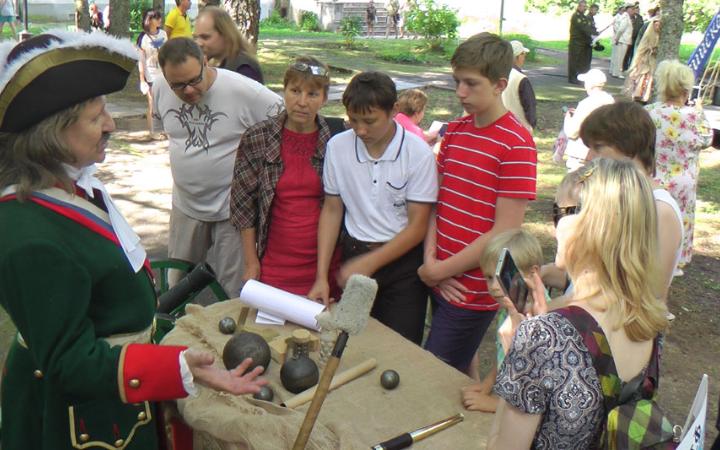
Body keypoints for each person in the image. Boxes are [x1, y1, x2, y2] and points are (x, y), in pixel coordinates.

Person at [0, 31, 267, 450]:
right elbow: (71, 363)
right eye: (95, 116)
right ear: (52, 133)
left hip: (118, 398)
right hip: (78, 422)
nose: (110, 124)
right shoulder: (30, 234)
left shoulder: (74, 189)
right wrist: (174, 365)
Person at [488, 158, 669, 449]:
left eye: (559, 212)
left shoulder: (543, 336)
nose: (555, 226)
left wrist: (516, 361)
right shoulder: (652, 318)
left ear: (591, 223)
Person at [418, 33, 537, 374]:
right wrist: (431, 263)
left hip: (472, 290)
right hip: (440, 275)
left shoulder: (517, 144)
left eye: (471, 83)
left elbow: (505, 232)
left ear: (500, 85)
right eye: (457, 81)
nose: (460, 92)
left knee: (431, 372)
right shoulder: (454, 131)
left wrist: (441, 270)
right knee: (456, 373)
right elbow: (436, 204)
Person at [308, 71, 438, 345]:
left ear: (394, 110)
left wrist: (370, 263)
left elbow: (417, 227)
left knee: (400, 348)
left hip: (403, 263)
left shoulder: (418, 154)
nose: (360, 130)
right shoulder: (338, 146)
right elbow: (332, 210)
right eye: (353, 120)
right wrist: (322, 277)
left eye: (369, 121)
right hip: (355, 252)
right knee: (351, 343)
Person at [153, 37, 283, 297]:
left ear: (204, 62)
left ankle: (234, 336)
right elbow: (160, 126)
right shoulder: (159, 87)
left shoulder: (245, 91)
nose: (188, 91)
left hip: (231, 211)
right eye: (178, 85)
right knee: (175, 286)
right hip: (185, 205)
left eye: (194, 80)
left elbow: (288, 120)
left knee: (234, 291)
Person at [230, 56, 341, 296]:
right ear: (284, 91)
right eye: (295, 91)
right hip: (274, 265)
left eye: (312, 94)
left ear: (324, 98)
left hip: (323, 268)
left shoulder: (337, 140)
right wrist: (251, 262)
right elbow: (242, 205)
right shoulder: (258, 137)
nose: (302, 102)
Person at [580, 101, 684, 300]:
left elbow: (649, 298)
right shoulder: (612, 197)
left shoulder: (660, 210)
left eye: (598, 147)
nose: (588, 158)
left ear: (629, 146)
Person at [461, 228, 545, 413]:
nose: (493, 287)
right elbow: (504, 356)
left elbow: (536, 385)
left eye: (501, 278)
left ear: (533, 273)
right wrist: (488, 384)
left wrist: (496, 405)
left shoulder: (538, 318)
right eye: (489, 277)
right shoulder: (511, 305)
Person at [645, 60, 713, 270]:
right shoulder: (696, 116)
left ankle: (646, 255)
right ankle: (673, 262)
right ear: (685, 89)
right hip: (683, 181)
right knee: (679, 218)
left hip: (654, 178)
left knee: (651, 219)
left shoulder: (649, 112)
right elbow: (707, 140)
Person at [560, 68, 615, 172]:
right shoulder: (610, 100)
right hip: (604, 152)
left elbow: (572, 132)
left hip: (583, 153)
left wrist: (568, 118)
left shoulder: (586, 103)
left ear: (590, 84)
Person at [194, 6, 264, 84]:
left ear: (226, 35)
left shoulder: (243, 69)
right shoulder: (215, 63)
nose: (198, 43)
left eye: (205, 37)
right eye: (196, 37)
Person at [137, 9, 168, 138]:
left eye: (160, 17)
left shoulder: (164, 34)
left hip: (164, 74)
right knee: (152, 103)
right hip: (150, 74)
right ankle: (153, 131)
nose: (160, 20)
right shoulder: (142, 38)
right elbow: (141, 59)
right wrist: (142, 78)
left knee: (165, 103)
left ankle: (164, 129)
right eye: (157, 18)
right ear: (149, 21)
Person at [502, 40, 537, 132]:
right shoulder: (521, 79)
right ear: (518, 56)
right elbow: (530, 106)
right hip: (520, 129)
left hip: (501, 126)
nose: (524, 57)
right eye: (523, 54)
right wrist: (531, 125)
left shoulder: (499, 74)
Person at [625, 17, 660, 103]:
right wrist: (649, 49)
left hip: (653, 61)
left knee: (650, 80)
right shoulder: (648, 35)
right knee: (642, 79)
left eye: (659, 25)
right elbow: (642, 47)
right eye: (655, 25)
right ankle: (638, 95)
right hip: (645, 60)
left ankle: (646, 97)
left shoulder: (660, 36)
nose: (657, 27)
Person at [567, 0, 594, 85]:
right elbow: (583, 28)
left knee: (580, 62)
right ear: (578, 6)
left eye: (586, 6)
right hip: (576, 42)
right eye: (583, 6)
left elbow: (587, 27)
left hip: (582, 42)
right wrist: (592, 33)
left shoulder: (583, 17)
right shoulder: (576, 16)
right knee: (574, 61)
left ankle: (578, 77)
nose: (585, 8)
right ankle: (572, 78)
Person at [610, 3, 632, 78]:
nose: (633, 11)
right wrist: (617, 38)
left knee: (617, 57)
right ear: (628, 9)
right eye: (631, 9)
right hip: (622, 40)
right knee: (620, 57)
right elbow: (621, 29)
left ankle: (613, 71)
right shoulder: (625, 17)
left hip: (622, 39)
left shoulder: (625, 16)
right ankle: (617, 72)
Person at [623, 2, 644, 72]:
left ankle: (630, 67)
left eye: (638, 9)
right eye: (635, 9)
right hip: (629, 37)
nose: (637, 10)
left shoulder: (640, 17)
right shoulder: (630, 17)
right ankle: (624, 66)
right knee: (626, 53)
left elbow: (641, 27)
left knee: (633, 53)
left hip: (636, 38)